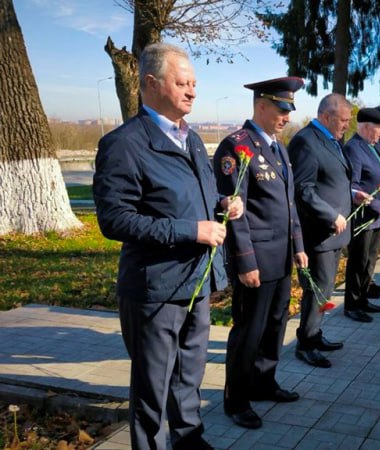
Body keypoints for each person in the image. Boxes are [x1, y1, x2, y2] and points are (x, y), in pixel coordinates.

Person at [93, 43, 243, 450]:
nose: (192, 91)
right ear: (150, 83)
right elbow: (115, 220)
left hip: (195, 280)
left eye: (194, 83)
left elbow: (197, 196)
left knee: (190, 373)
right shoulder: (124, 144)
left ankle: (189, 438)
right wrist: (190, 231)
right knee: (152, 387)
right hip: (154, 287)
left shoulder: (191, 139)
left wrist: (222, 205)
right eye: (182, 82)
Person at [213, 77, 308, 429]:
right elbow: (233, 212)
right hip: (256, 260)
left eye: (290, 109)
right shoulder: (236, 147)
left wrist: (298, 247)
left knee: (275, 326)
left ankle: (264, 383)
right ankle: (236, 399)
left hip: (282, 258)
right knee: (249, 331)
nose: (287, 116)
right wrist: (244, 262)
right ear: (262, 105)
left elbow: (288, 204)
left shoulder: (279, 148)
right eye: (282, 108)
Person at [288, 93, 371, 368]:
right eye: (343, 120)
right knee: (317, 290)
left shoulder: (332, 140)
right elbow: (303, 190)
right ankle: (306, 344)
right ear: (326, 116)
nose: (347, 125)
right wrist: (330, 214)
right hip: (318, 234)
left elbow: (332, 181)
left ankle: (315, 333)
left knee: (325, 289)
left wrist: (352, 195)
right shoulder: (306, 142)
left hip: (334, 233)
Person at [342, 106, 380, 323]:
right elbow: (353, 187)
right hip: (363, 217)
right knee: (358, 262)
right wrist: (374, 205)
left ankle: (363, 298)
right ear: (365, 126)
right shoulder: (354, 148)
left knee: (370, 261)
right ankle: (352, 305)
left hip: (377, 216)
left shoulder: (375, 145)